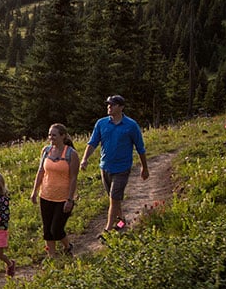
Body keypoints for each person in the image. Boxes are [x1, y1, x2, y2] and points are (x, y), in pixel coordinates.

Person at [80, 95, 149, 234]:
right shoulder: (101, 123)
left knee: (114, 198)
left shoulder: (131, 125)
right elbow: (93, 142)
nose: (109, 107)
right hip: (105, 167)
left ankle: (108, 229)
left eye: (112, 104)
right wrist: (85, 159)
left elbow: (140, 148)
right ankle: (122, 221)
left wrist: (144, 167)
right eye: (108, 104)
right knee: (114, 199)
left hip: (122, 168)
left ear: (121, 107)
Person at [31, 123, 79, 258]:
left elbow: (74, 178)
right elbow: (40, 172)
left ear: (63, 136)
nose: (51, 138)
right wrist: (34, 191)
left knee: (56, 229)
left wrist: (70, 199)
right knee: (47, 229)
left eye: (54, 135)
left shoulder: (71, 154)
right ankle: (51, 255)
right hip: (45, 195)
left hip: (63, 198)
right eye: (49, 135)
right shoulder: (46, 151)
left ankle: (67, 246)